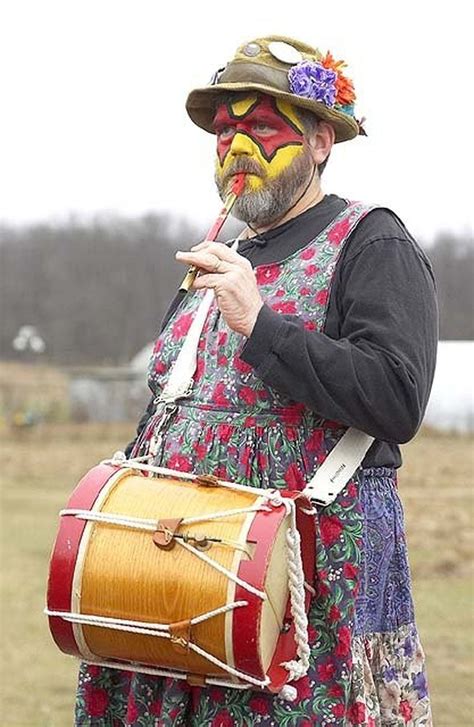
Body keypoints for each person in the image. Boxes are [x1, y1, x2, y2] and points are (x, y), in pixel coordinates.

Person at [75, 35, 437, 726]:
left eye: (262, 128)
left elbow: (396, 397)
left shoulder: (373, 241)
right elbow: (171, 408)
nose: (237, 147)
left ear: (321, 140)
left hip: (309, 591)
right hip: (178, 577)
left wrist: (262, 324)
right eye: (225, 132)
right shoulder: (221, 256)